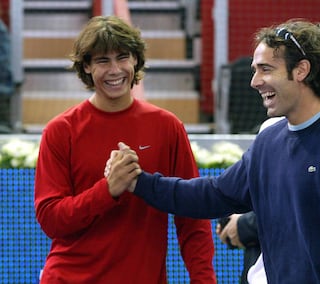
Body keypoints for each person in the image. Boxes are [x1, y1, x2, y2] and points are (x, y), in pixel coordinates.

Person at [107, 19, 320, 283]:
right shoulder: (268, 141)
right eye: (255, 70)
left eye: (265, 69)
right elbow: (212, 194)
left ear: (301, 70)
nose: (254, 81)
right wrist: (138, 182)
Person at [34, 15, 216, 283]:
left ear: (135, 61)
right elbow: (51, 220)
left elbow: (191, 215)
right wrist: (107, 190)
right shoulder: (60, 130)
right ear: (86, 67)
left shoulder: (167, 126)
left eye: (123, 57)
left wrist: (204, 280)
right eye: (102, 61)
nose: (115, 70)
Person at [217, 21, 320, 284]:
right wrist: (143, 183)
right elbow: (226, 193)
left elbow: (319, 214)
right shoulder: (271, 132)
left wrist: (246, 225)